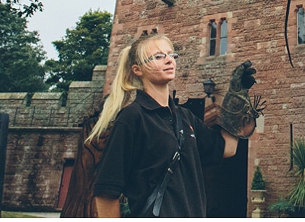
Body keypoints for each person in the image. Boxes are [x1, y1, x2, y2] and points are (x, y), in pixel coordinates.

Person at [91, 33, 255, 217]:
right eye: (159, 56)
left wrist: (236, 98)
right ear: (138, 69)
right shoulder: (133, 117)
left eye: (171, 55)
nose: (169, 60)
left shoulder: (185, 117)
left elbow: (227, 148)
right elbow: (106, 192)